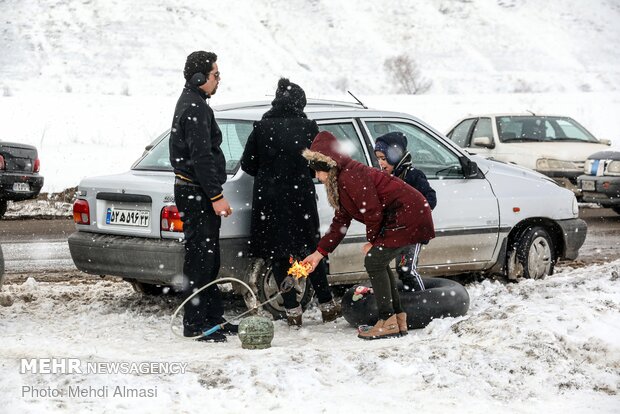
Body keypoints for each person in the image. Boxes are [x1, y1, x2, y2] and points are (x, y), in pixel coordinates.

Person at [302, 131, 435, 339]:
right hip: (405, 215)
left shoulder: (350, 175)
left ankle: (387, 320)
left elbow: (371, 210)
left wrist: (373, 241)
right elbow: (340, 222)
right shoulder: (341, 179)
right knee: (378, 262)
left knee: (374, 260)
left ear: (328, 164)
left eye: (318, 171)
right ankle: (397, 319)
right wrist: (319, 254)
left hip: (408, 215)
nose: (317, 177)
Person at [240, 78, 340, 327]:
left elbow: (247, 164)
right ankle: (327, 304)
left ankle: (292, 310)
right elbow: (320, 163)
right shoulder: (308, 127)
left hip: (269, 202)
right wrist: (300, 173)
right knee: (309, 251)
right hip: (300, 200)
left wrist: (270, 173)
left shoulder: (261, 128)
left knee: (278, 254)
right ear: (299, 103)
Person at [169, 51, 235, 343]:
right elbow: (201, 158)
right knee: (200, 259)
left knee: (210, 258)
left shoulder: (195, 103)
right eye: (215, 75)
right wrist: (216, 195)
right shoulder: (195, 108)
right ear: (199, 78)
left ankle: (212, 318)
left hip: (197, 192)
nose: (218, 80)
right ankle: (195, 324)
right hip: (196, 193)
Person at [374, 132, 437, 292]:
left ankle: (422, 301)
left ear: (395, 156)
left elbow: (430, 198)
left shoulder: (413, 175)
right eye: (378, 159)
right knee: (401, 271)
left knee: (408, 269)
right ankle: (410, 301)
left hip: (413, 233)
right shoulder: (386, 178)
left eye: (384, 158)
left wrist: (413, 212)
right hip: (397, 233)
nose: (380, 163)